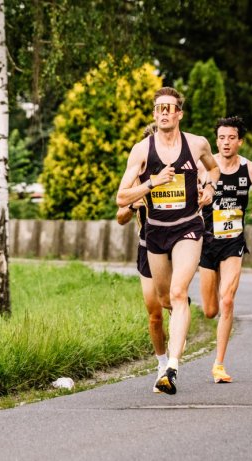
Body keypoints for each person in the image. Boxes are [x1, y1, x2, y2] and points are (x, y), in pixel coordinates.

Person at [117, 87, 220, 395]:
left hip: (188, 226)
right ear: (154, 114)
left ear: (179, 114)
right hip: (154, 232)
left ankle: (171, 368)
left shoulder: (197, 143)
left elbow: (213, 168)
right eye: (159, 108)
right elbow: (120, 198)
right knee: (161, 303)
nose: (164, 112)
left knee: (178, 292)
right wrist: (151, 184)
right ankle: (165, 356)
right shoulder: (141, 150)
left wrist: (211, 188)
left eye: (169, 107)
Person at [198, 116, 252, 384]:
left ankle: (219, 364)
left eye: (231, 138)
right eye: (221, 138)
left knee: (227, 300)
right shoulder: (204, 167)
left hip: (233, 241)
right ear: (216, 141)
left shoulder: (251, 170)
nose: (226, 142)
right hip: (207, 242)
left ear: (240, 141)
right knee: (209, 310)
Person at [116, 123, 171, 393]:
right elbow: (120, 217)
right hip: (146, 245)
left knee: (172, 302)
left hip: (173, 246)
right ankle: (162, 364)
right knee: (154, 312)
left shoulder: (174, 173)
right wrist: (134, 204)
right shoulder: (137, 179)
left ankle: (173, 362)